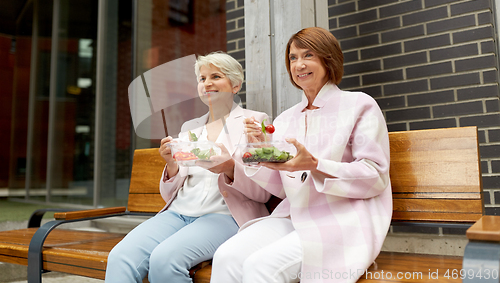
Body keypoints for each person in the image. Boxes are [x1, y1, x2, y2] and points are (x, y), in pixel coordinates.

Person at [211, 27, 392, 283]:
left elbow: (375, 176)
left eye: (308, 55)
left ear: (328, 59)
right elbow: (282, 188)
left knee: (261, 267)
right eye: (293, 57)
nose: (299, 64)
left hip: (341, 218)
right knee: (226, 256)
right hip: (293, 215)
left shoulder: (360, 105)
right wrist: (259, 150)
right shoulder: (286, 119)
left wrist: (317, 166)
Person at [105, 52, 271, 283]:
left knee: (165, 259)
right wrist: (172, 164)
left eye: (215, 76)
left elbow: (263, 191)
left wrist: (231, 168)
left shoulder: (254, 122)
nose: (207, 83)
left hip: (224, 215)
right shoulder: (190, 128)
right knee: (120, 256)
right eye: (202, 79)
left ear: (235, 85)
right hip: (178, 213)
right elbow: (169, 196)